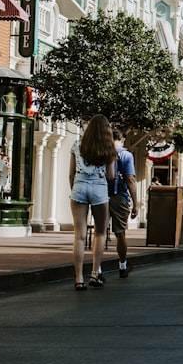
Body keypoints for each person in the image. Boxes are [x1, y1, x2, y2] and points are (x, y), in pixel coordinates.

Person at [70, 115, 116, 290]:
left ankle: (79, 278)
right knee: (99, 233)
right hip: (99, 188)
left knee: (79, 236)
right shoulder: (108, 147)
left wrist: (75, 189)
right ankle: (95, 273)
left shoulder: (77, 145)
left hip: (79, 187)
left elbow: (71, 173)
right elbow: (111, 175)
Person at [109, 128, 139, 279]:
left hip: (101, 195)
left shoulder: (102, 153)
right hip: (119, 196)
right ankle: (122, 265)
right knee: (120, 233)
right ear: (121, 140)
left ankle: (97, 270)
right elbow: (130, 179)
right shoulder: (126, 155)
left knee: (99, 233)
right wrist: (136, 203)